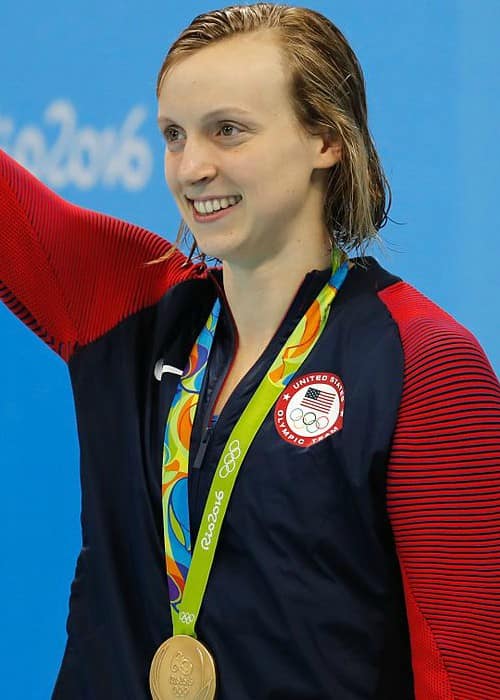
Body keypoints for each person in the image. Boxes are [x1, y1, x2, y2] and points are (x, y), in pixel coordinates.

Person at [1, 3, 499, 699]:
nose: (192, 167)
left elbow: (468, 672)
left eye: (227, 131)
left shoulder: (424, 362)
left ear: (326, 137)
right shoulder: (128, 303)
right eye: (174, 135)